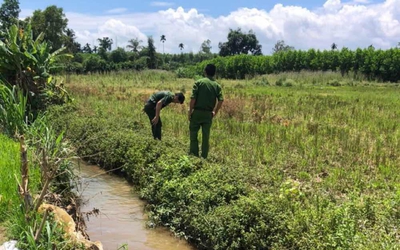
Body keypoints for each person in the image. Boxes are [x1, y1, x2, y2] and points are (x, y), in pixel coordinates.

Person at [188, 64, 224, 159]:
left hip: (197, 113)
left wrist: (190, 111)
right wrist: (215, 112)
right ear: (214, 73)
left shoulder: (198, 82)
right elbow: (221, 100)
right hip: (208, 114)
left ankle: (194, 155)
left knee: (193, 134)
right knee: (205, 137)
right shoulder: (217, 86)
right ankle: (204, 157)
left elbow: (193, 99)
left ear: (205, 71)